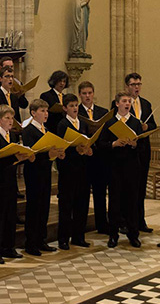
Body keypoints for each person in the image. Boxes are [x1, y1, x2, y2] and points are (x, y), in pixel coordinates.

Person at [99, 91, 143, 248]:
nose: (127, 103)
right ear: (117, 104)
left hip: (132, 167)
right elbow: (101, 144)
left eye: (129, 101)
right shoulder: (110, 123)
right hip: (115, 167)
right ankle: (113, 235)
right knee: (115, 202)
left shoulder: (136, 123)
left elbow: (143, 145)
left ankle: (133, 234)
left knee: (132, 201)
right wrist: (114, 144)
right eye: (124, 101)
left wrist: (135, 144)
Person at [22, 99, 65, 255]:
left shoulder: (44, 130)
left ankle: (41, 239)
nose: (46, 114)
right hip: (33, 173)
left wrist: (58, 153)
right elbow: (31, 153)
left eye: (47, 111)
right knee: (34, 207)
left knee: (44, 206)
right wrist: (48, 154)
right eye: (42, 111)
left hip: (45, 172)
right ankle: (31, 243)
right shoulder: (28, 131)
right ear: (33, 113)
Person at [0, 105, 27, 263]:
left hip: (10, 181)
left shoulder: (11, 136)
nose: (11, 121)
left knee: (10, 214)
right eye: (7, 118)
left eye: (12, 118)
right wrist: (16, 158)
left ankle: (9, 247)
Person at [55, 93, 93, 250]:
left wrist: (89, 150)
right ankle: (63, 238)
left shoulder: (82, 124)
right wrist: (74, 149)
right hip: (68, 171)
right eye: (71, 106)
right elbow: (61, 147)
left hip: (82, 170)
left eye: (76, 105)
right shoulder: (63, 125)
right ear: (65, 108)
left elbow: (87, 141)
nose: (75, 108)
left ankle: (79, 236)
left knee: (82, 204)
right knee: (66, 206)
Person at [122, 73, 156, 233]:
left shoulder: (146, 104)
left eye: (139, 84)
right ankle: (124, 221)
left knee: (141, 187)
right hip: (127, 151)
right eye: (133, 84)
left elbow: (153, 124)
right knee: (128, 187)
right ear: (127, 86)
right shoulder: (121, 103)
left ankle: (140, 220)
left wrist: (146, 127)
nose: (136, 87)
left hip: (143, 150)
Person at [77, 81, 111, 234]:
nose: (87, 96)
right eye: (84, 93)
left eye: (90, 93)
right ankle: (81, 226)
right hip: (83, 159)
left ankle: (102, 225)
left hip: (101, 158)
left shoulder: (102, 112)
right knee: (83, 194)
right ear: (80, 95)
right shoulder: (76, 112)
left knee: (100, 193)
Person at [0, 66, 27, 130]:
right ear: (0, 79)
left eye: (12, 76)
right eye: (7, 76)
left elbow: (17, 116)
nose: (10, 79)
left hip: (14, 135)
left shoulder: (14, 97)